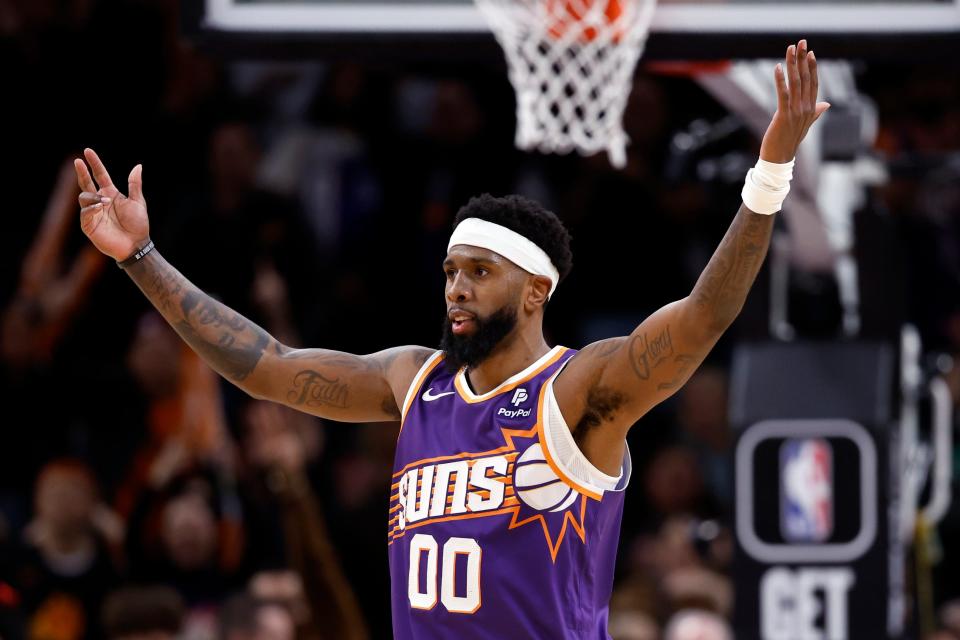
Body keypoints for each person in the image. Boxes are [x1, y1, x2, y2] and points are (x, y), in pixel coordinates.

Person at [74, 41, 827, 639]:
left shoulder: (576, 393)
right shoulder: (413, 381)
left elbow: (700, 319)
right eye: (449, 270)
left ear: (537, 289)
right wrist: (141, 258)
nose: (456, 287)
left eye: (479, 271)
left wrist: (770, 173)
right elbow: (268, 367)